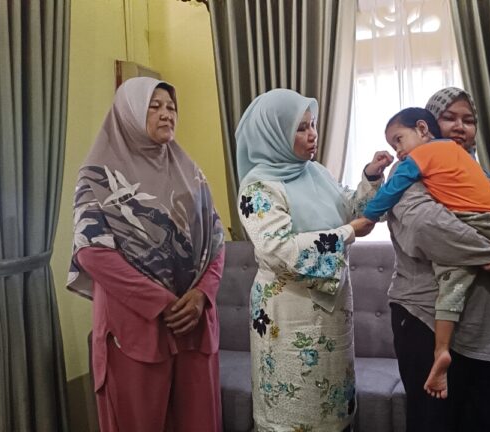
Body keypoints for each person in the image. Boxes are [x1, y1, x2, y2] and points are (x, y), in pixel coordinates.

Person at [67, 77, 226, 431]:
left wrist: (203, 294)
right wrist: (162, 303)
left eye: (171, 107)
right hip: (135, 326)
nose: (166, 114)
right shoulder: (97, 177)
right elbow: (92, 252)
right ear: (129, 114)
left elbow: (215, 241)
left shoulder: (190, 173)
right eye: (154, 107)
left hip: (193, 323)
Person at [235, 88, 392, 431]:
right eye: (301, 127)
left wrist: (370, 177)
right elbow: (276, 249)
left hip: (332, 311)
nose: (313, 134)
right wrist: (346, 233)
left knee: (333, 407)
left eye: (313, 125)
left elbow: (354, 209)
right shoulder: (258, 188)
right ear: (273, 133)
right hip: (286, 314)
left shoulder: (315, 172)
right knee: (293, 409)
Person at [386, 87, 490, 431]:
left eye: (468, 120)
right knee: (434, 423)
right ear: (426, 126)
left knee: (489, 421)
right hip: (426, 319)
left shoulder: (475, 174)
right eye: (449, 118)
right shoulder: (408, 173)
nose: (460, 127)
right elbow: (428, 230)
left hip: (488, 328)